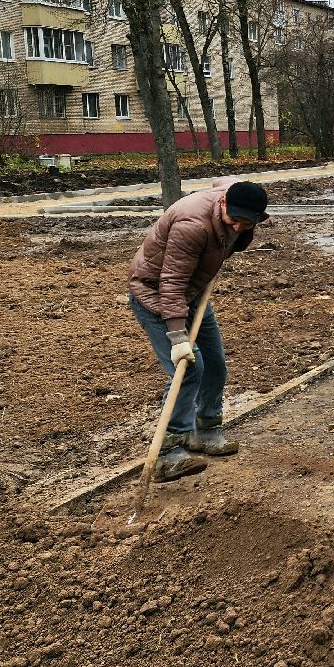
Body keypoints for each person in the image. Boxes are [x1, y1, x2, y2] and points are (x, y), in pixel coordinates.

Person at [127, 177, 269, 481]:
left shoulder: (235, 201)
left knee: (215, 364)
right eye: (234, 219)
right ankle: (168, 454)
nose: (238, 227)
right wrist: (178, 336)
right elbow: (171, 283)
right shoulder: (192, 225)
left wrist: (241, 228)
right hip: (156, 295)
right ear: (223, 204)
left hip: (193, 293)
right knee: (189, 368)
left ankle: (205, 431)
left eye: (247, 223)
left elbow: (225, 181)